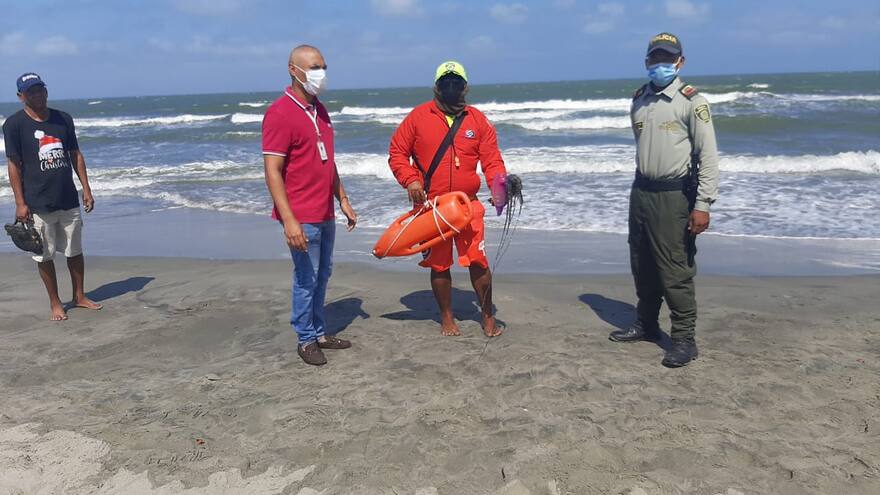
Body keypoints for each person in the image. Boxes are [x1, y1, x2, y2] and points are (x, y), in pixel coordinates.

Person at [608, 33, 719, 367]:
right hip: (642, 191)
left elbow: (709, 156)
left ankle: (684, 339)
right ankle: (647, 324)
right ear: (646, 62)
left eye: (667, 59)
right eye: (655, 58)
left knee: (675, 268)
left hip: (674, 196)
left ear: (680, 62)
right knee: (642, 262)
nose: (661, 64)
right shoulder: (639, 99)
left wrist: (702, 204)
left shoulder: (692, 102)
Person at [388, 61, 507, 338]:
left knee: (478, 262)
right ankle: (446, 317)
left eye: (456, 82)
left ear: (465, 87)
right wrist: (411, 179)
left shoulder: (478, 120)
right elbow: (397, 152)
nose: (451, 86)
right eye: (445, 82)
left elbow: (493, 161)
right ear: (436, 86)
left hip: (469, 205)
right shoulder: (418, 117)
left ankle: (488, 317)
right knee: (439, 265)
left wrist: (500, 189)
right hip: (432, 207)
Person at [262, 45, 358, 366]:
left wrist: (342, 198)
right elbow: (273, 171)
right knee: (306, 276)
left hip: (324, 210)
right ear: (294, 69)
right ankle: (305, 340)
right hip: (300, 214)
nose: (321, 74)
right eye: (315, 67)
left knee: (323, 273)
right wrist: (289, 221)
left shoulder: (320, 110)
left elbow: (327, 161)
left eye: (324, 67)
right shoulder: (279, 113)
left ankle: (319, 331)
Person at [3, 73, 102, 321]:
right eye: (30, 92)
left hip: (67, 197)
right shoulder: (14, 125)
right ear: (20, 96)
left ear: (46, 91)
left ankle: (79, 296)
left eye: (40, 90)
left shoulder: (63, 119)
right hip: (37, 201)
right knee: (44, 254)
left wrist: (86, 189)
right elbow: (14, 165)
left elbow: (75, 154)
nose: (37, 95)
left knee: (75, 250)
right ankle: (55, 303)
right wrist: (20, 203)